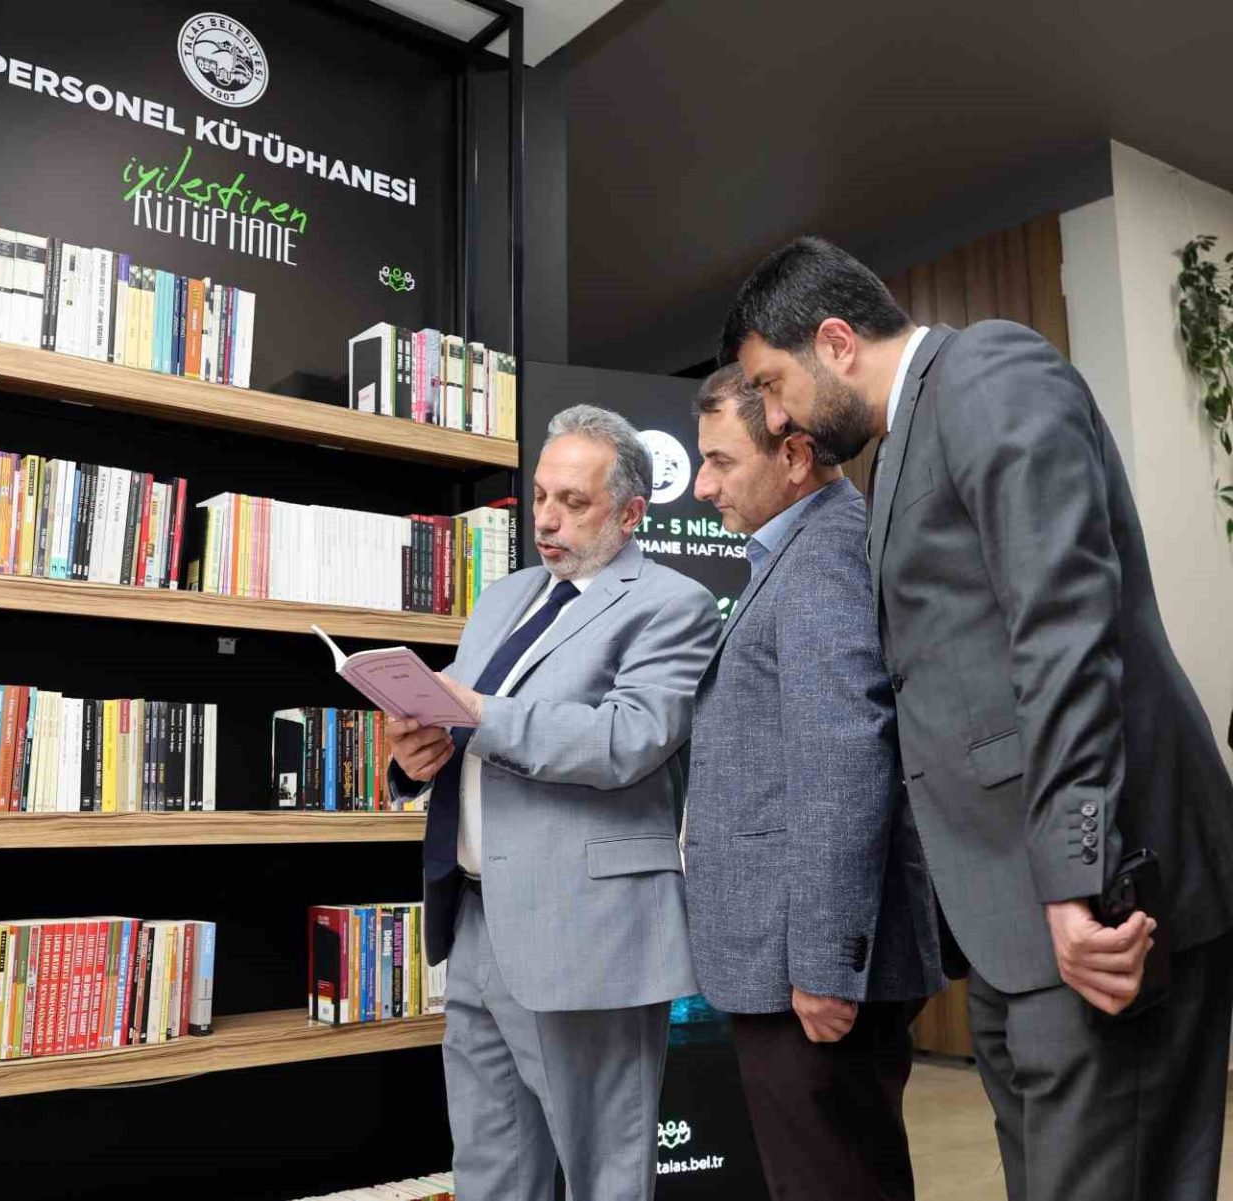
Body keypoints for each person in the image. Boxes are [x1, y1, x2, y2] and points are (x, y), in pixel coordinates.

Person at [720, 236, 1233, 1201]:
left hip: (1093, 901)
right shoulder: (899, 446)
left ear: (835, 342)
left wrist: (1077, 876)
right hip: (1009, 922)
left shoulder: (991, 368)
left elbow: (1065, 628)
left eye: (772, 385)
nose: (776, 417)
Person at [387, 404, 723, 1201]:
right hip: (475, 919)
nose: (545, 518)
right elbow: (460, 727)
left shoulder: (673, 604)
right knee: (491, 1169)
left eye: (574, 502)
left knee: (604, 1174)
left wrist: (479, 712)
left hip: (587, 931)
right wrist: (412, 760)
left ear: (631, 513)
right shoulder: (505, 598)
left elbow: (628, 738)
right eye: (541, 495)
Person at [683, 364, 943, 1201]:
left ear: (794, 456)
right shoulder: (797, 551)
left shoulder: (825, 554)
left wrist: (827, 966)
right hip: (786, 961)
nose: (701, 485)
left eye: (720, 461)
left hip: (811, 972)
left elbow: (844, 763)